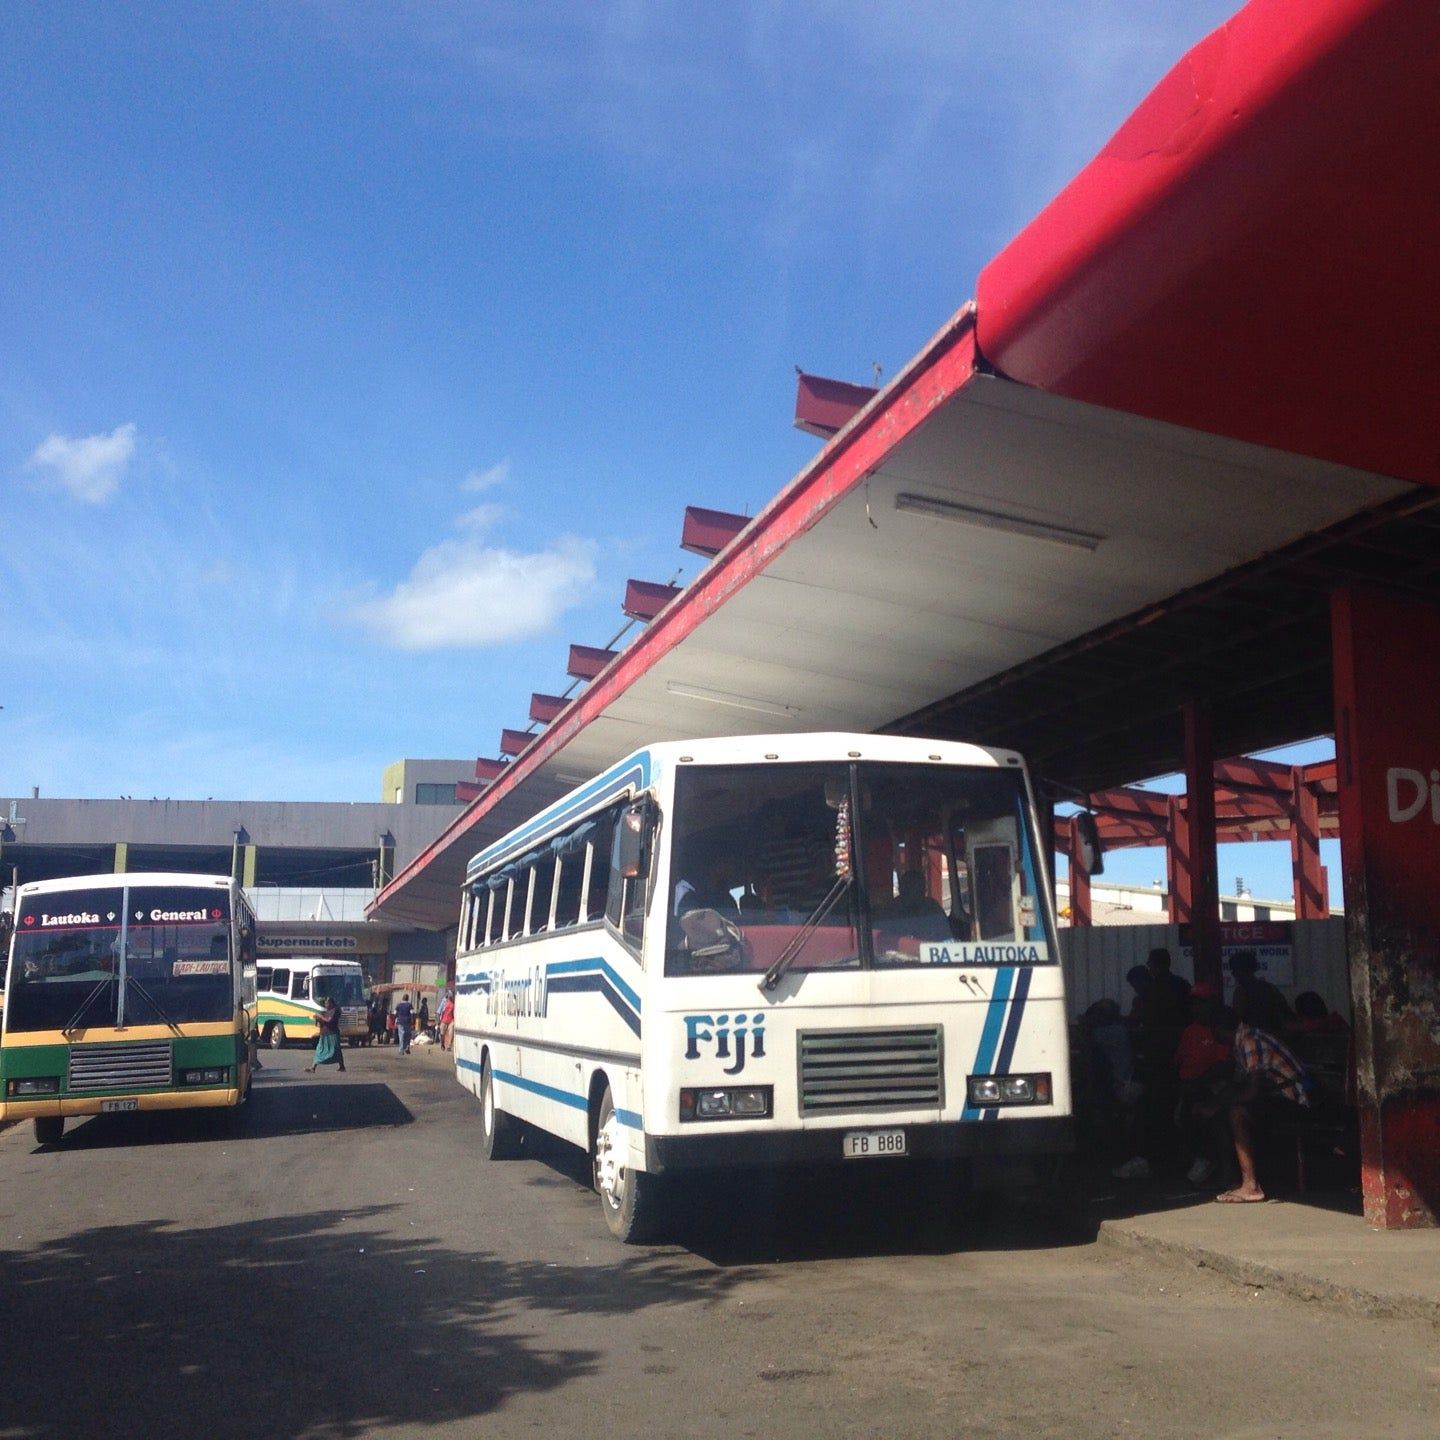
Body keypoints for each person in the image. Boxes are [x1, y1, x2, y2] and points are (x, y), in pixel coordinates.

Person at [1203, 995, 1310, 1203]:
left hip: (1293, 1101)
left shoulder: (1251, 1041)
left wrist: (1222, 1103)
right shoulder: (1241, 1042)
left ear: (1219, 1029)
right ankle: (1229, 1176)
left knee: (1236, 1113)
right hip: (1272, 1096)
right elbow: (1238, 1084)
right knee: (1221, 1111)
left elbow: (1251, 1091)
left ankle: (1251, 1185)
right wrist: (1214, 1104)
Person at [1228, 949, 1293, 1034]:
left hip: (1253, 1038)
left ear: (1240, 970)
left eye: (1234, 970)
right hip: (1274, 1036)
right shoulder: (1270, 988)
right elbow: (1286, 1013)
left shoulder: (1241, 992)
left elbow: (1237, 1019)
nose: (1233, 974)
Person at [304, 995, 347, 1074]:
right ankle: (313, 1067)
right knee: (319, 1049)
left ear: (331, 1003)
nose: (326, 1005)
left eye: (328, 1003)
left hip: (332, 1034)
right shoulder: (327, 1011)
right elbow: (324, 1021)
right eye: (325, 1003)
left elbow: (329, 1020)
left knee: (336, 1050)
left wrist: (320, 1016)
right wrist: (318, 1020)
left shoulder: (335, 1011)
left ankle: (342, 1066)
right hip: (324, 1033)